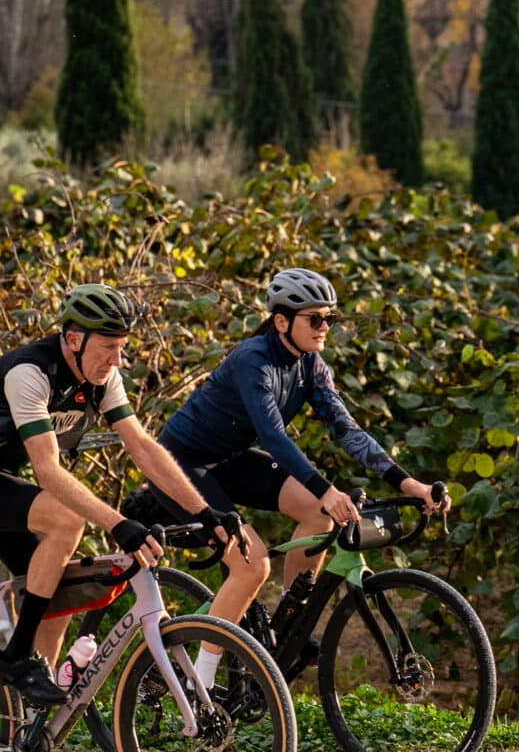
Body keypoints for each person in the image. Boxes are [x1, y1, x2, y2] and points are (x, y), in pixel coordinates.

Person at [0, 283, 240, 752]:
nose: (117, 359)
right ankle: (14, 659)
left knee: (56, 596)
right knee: (66, 520)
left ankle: (33, 740)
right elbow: (47, 471)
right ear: (73, 338)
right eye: (108, 347)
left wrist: (205, 511)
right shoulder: (30, 374)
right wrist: (118, 523)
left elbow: (142, 447)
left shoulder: (102, 378)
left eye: (122, 347)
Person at [143, 268, 449, 689]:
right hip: (179, 464)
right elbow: (273, 436)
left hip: (228, 459)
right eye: (315, 318)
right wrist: (327, 488)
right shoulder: (254, 360)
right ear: (282, 321)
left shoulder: (311, 366)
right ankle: (201, 683)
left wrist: (409, 484)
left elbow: (347, 430)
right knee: (251, 564)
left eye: (330, 318)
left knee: (319, 514)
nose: (325, 327)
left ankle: (288, 627)